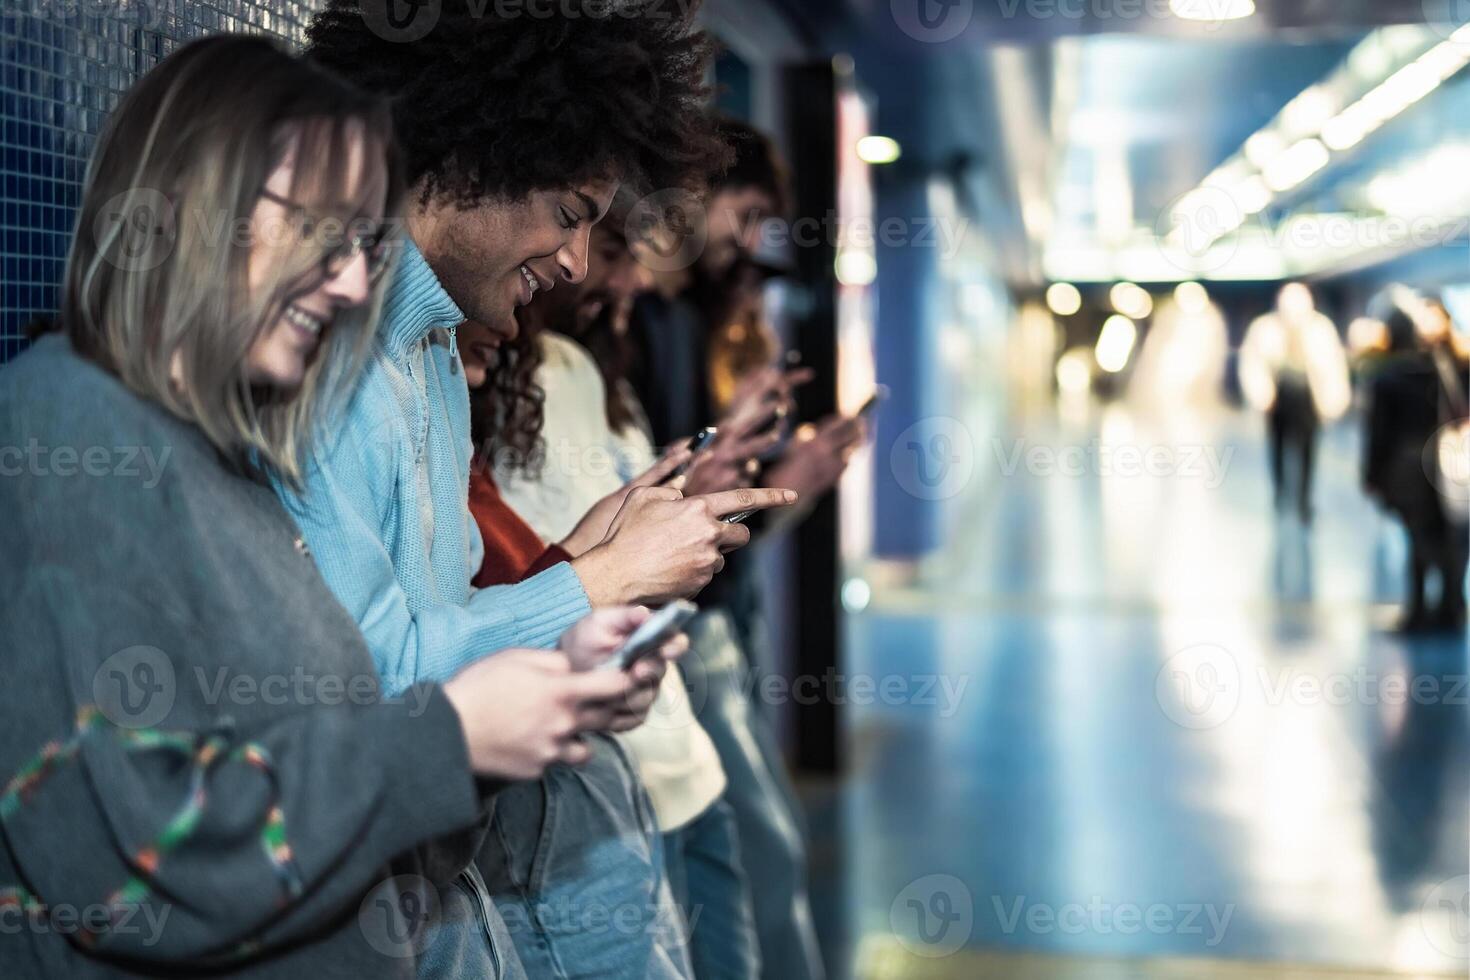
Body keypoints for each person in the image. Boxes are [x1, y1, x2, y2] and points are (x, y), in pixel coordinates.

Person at [0, 35, 664, 978]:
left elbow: (329, 756)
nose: (355, 280)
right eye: (319, 228)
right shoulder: (67, 426)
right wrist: (456, 737)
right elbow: (140, 869)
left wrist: (549, 682)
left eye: (362, 240)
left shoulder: (225, 457)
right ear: (191, 205)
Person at [277, 4, 791, 978]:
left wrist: (579, 584)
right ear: (473, 161)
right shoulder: (333, 363)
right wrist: (593, 580)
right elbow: (375, 682)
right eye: (569, 216)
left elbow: (451, 619)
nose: (577, 263)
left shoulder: (432, 355)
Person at [1361, 299, 1469, 632]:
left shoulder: (1389, 376)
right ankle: (1450, 604)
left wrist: (1372, 474)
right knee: (1449, 536)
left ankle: (1425, 608)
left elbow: (1379, 433)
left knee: (1421, 538)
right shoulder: (1449, 368)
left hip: (1408, 469)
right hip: (1448, 465)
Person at [1239, 282, 1351, 524]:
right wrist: (1261, 395)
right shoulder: (1264, 328)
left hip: (1308, 399)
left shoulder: (1321, 329)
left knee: (1308, 450)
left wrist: (1333, 401)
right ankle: (1280, 493)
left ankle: (1304, 499)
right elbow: (1252, 364)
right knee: (1277, 447)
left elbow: (1333, 367)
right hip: (1279, 399)